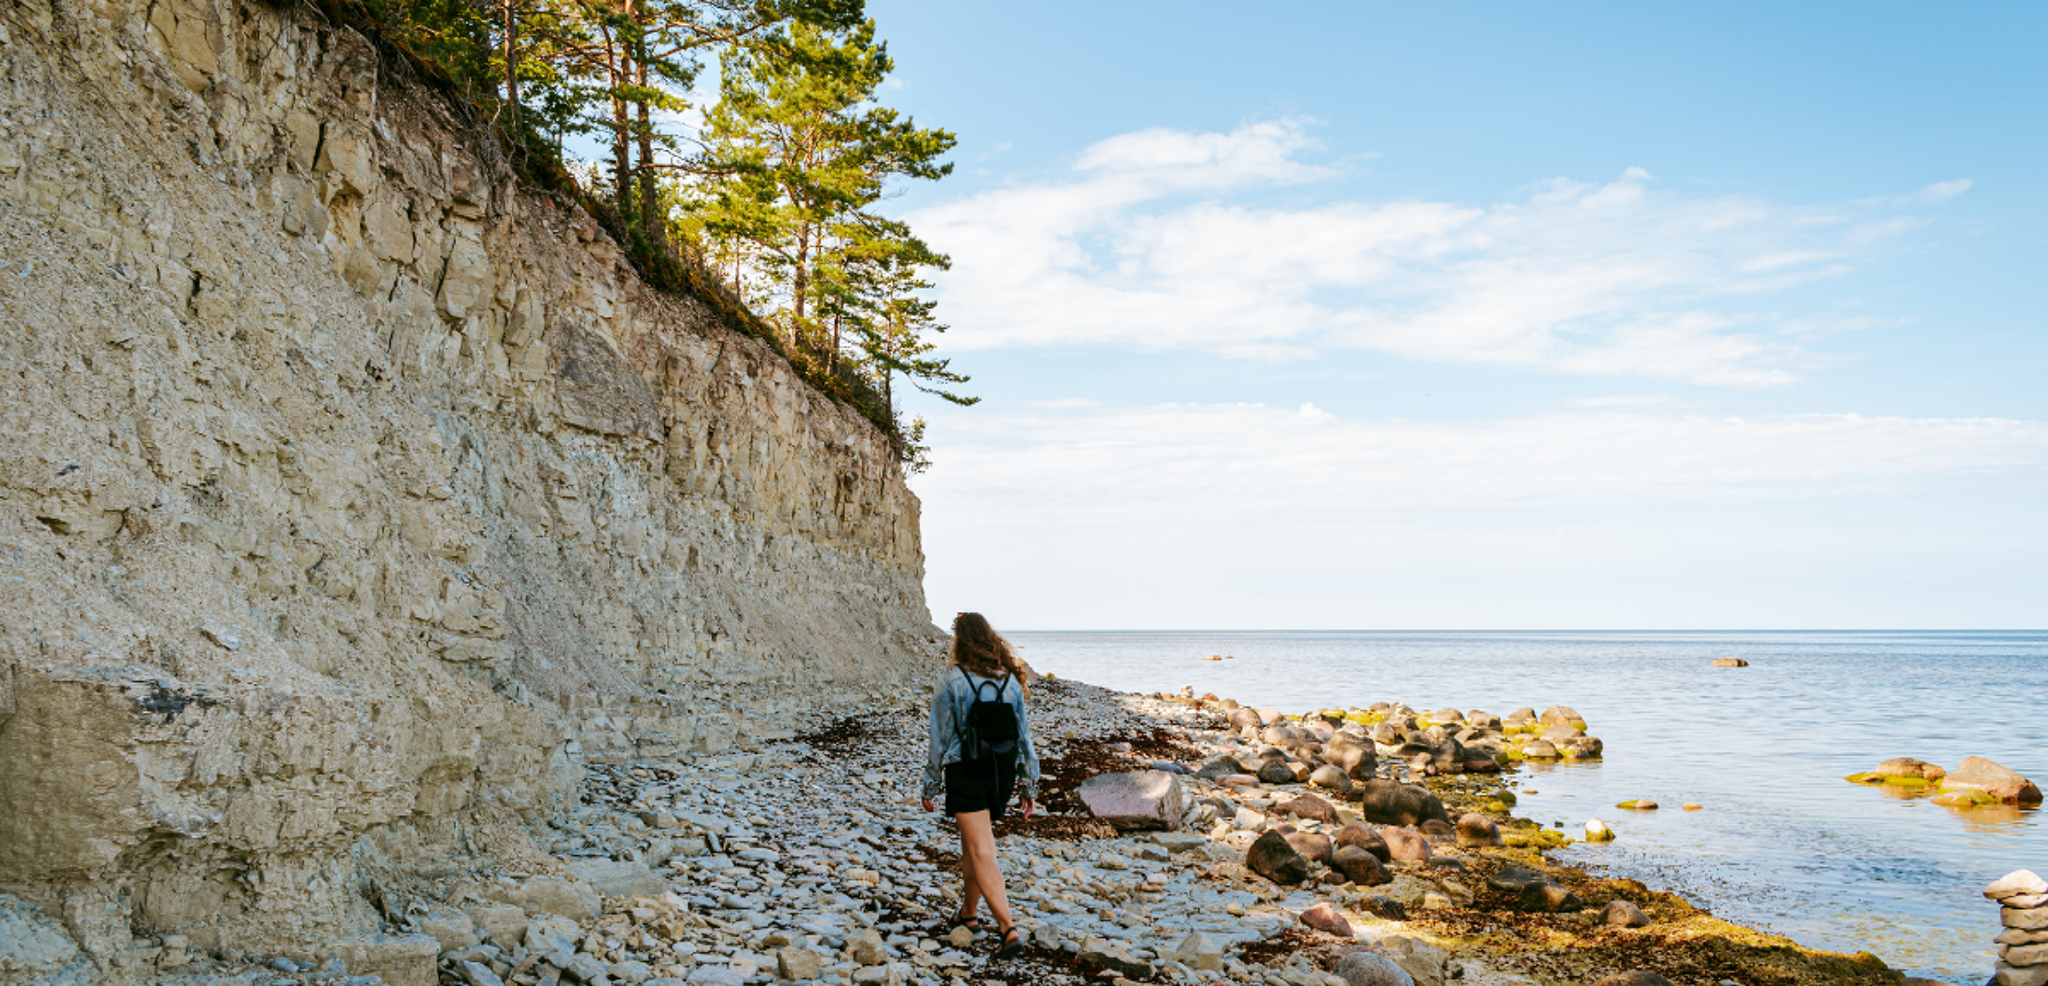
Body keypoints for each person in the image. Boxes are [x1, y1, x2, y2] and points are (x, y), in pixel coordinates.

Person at [921, 612, 1040, 960]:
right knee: (973, 844)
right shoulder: (1010, 680)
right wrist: (1027, 784)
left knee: (982, 849)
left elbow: (938, 738)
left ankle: (1008, 930)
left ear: (960, 641)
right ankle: (968, 915)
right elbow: (1024, 739)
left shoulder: (952, 680)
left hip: (966, 771)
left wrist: (929, 784)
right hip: (1000, 773)